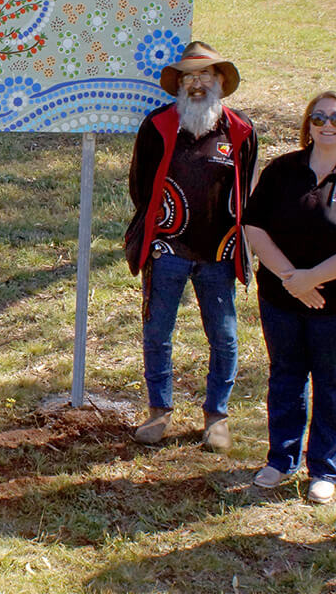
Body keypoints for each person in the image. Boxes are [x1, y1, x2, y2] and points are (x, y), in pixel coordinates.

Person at [244, 91, 336, 504]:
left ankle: (325, 468)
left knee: (333, 382)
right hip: (281, 297)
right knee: (286, 376)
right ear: (307, 125)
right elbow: (253, 227)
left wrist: (312, 279)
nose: (327, 125)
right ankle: (282, 459)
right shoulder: (283, 170)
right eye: (318, 117)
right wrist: (293, 280)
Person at [123, 41, 258, 450]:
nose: (197, 83)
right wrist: (163, 227)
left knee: (224, 335)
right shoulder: (157, 126)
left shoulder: (241, 130)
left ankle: (217, 416)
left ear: (219, 81)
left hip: (219, 253)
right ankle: (159, 411)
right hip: (168, 251)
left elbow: (246, 191)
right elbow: (139, 186)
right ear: (179, 84)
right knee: (157, 333)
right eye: (188, 76)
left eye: (204, 75)